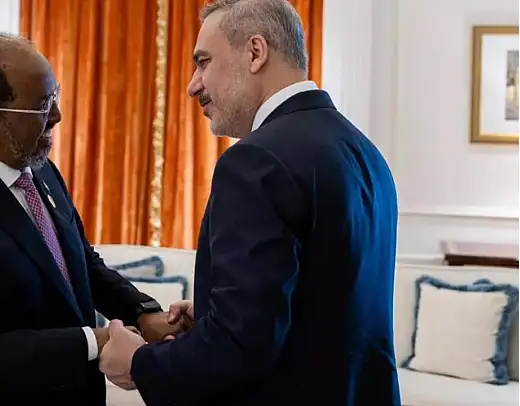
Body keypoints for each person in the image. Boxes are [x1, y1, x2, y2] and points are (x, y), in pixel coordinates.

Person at [99, 0, 402, 405]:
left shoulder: (255, 160)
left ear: (255, 52)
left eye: (203, 62)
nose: (193, 85)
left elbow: (239, 346)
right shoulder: (363, 151)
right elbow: (328, 301)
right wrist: (215, 313)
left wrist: (139, 362)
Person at [0, 33, 184, 406]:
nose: (57, 115)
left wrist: (142, 312)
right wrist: (94, 341)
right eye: (42, 106)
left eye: (54, 96)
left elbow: (82, 264)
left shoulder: (41, 172)